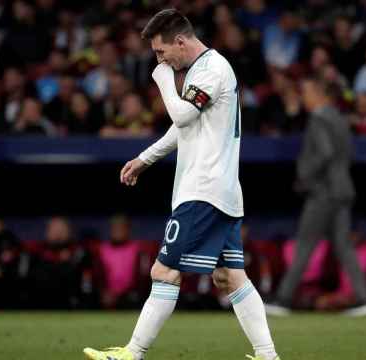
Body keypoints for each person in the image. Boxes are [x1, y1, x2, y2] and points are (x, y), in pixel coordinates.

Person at [83, 9, 279, 360]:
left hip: (203, 191)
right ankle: (268, 357)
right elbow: (185, 125)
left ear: (181, 41)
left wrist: (161, 79)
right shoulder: (200, 72)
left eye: (161, 52)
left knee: (164, 270)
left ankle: (132, 353)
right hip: (220, 191)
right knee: (230, 277)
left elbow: (181, 115)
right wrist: (146, 158)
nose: (160, 60)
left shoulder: (213, 69)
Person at [265, 77, 366, 317]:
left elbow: (325, 152)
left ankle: (283, 299)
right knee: (344, 247)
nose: (304, 97)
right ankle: (365, 300)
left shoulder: (318, 118)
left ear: (320, 94)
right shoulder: (339, 118)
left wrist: (304, 175)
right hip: (342, 190)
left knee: (305, 244)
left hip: (323, 192)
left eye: (306, 92)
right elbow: (348, 153)